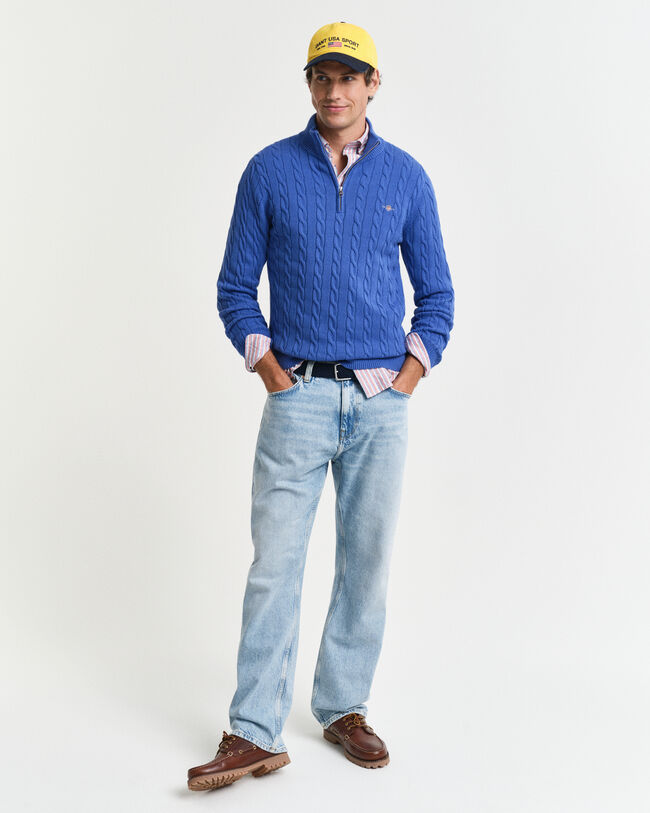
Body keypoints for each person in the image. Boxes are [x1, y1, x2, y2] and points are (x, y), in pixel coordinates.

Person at [187, 20, 455, 791]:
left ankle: (343, 706)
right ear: (309, 84)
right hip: (297, 395)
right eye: (321, 76)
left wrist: (408, 375)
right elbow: (235, 287)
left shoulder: (406, 177)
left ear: (373, 85)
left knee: (366, 562)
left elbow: (437, 295)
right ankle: (254, 731)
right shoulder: (269, 171)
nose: (334, 90)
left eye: (349, 77)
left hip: (380, 403)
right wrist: (271, 370)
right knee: (275, 564)